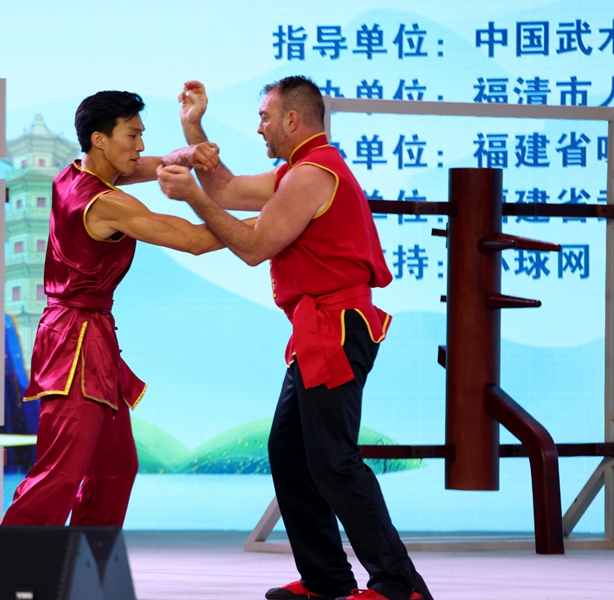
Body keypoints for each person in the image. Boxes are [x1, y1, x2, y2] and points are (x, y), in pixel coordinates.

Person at [156, 77, 433, 600]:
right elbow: (231, 189)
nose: (258, 126)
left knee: (334, 460)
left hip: (336, 328)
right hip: (319, 328)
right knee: (288, 451)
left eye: (264, 117)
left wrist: (192, 196)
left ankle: (402, 588)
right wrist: (193, 126)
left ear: (292, 120)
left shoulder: (311, 175)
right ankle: (326, 581)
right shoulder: (298, 171)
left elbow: (255, 245)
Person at [2, 90, 228, 527]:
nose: (141, 147)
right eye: (133, 135)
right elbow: (195, 240)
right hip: (76, 345)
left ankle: (86, 573)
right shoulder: (108, 203)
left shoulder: (73, 173)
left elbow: (144, 165)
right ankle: (1, 580)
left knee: (115, 469)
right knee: (58, 475)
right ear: (100, 139)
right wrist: (276, 221)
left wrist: (185, 152)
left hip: (85, 335)